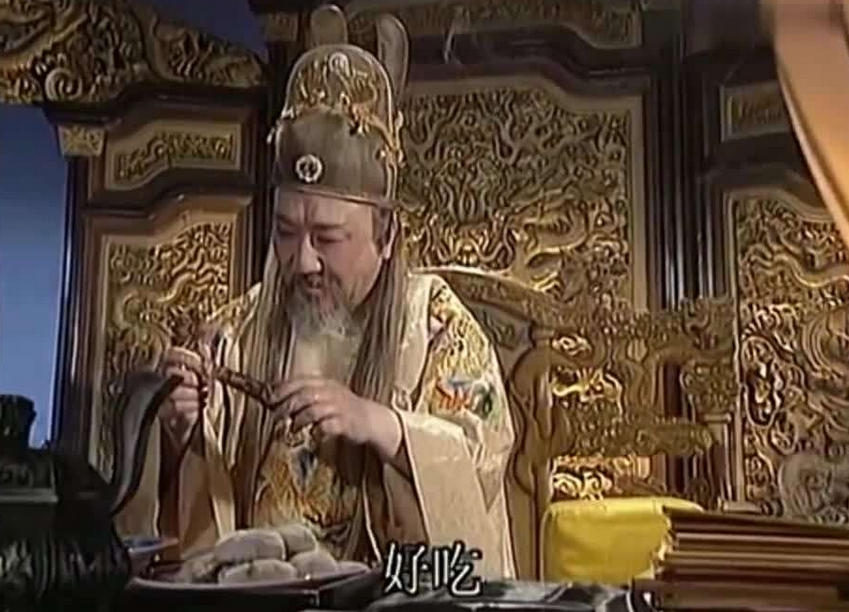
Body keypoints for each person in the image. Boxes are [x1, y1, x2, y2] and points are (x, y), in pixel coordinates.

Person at [118, 5, 516, 579]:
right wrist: (182, 433)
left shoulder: (435, 326)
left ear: (386, 236)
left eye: (327, 238)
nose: (303, 261)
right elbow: (194, 520)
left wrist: (379, 424)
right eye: (286, 232)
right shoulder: (235, 332)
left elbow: (479, 462)